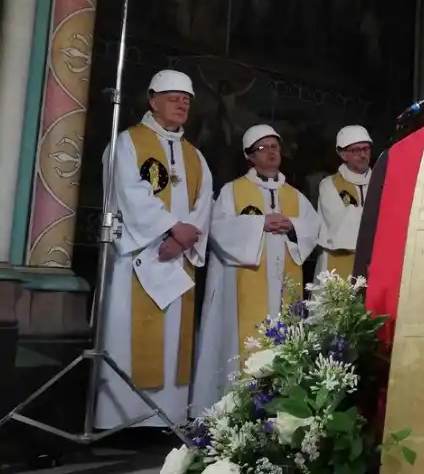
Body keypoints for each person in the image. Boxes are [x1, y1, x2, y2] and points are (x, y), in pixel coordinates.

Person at [95, 69, 213, 430]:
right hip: (138, 257)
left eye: (187, 100)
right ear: (152, 100)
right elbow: (127, 192)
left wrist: (182, 239)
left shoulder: (195, 155)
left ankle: (167, 418)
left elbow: (204, 203)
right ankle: (122, 419)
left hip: (177, 260)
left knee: (173, 341)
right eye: (174, 97)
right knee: (129, 338)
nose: (182, 104)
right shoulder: (128, 142)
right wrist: (170, 228)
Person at [191, 124, 320, 414]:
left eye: (275, 146)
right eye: (263, 148)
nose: (271, 152)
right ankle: (236, 409)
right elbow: (219, 229)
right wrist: (260, 223)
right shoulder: (233, 191)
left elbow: (313, 227)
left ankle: (280, 408)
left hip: (283, 284)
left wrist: (292, 225)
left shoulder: (294, 195)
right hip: (244, 287)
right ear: (249, 156)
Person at [314, 125, 372, 280]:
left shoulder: (381, 182)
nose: (363, 155)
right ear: (343, 154)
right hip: (337, 261)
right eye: (356, 150)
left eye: (366, 149)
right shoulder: (329, 185)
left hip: (374, 262)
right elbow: (338, 222)